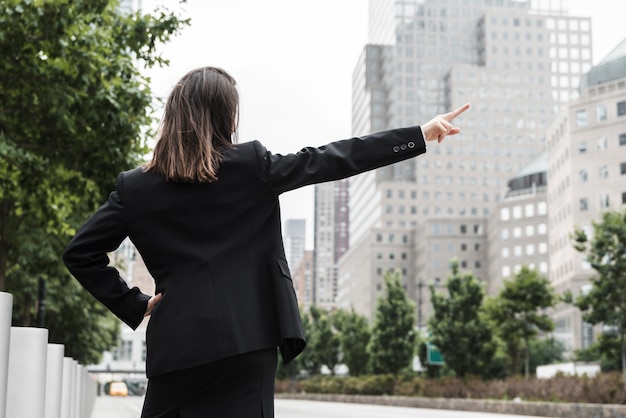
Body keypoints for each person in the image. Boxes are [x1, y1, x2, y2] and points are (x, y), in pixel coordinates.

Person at [63, 66, 469, 417]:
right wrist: (419, 134)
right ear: (225, 116)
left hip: (177, 347)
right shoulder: (250, 166)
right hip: (248, 340)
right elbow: (331, 158)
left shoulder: (135, 188)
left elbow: (81, 253)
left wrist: (134, 303)